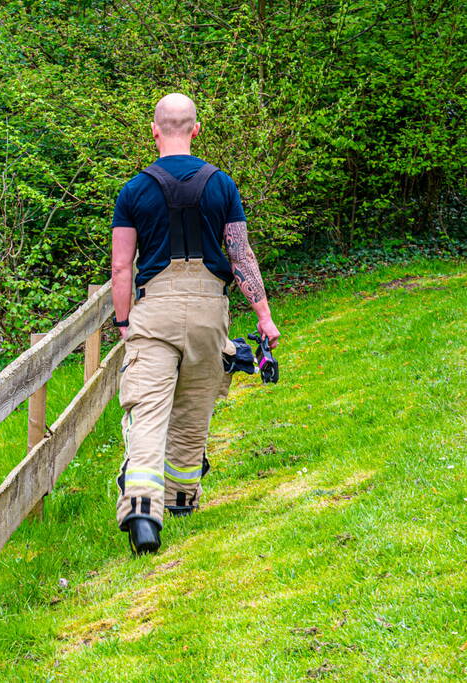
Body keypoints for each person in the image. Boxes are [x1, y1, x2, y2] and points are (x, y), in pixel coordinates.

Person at [110, 93, 281, 554]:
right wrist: (263, 317)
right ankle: (182, 499)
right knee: (194, 408)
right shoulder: (221, 185)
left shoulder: (133, 191)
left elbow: (122, 267)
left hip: (156, 310)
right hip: (208, 311)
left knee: (148, 411)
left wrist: (124, 321)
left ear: (154, 131)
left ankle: (143, 512)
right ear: (196, 130)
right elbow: (240, 255)